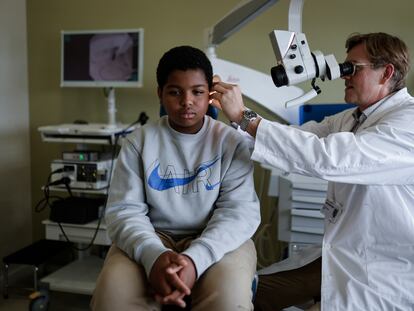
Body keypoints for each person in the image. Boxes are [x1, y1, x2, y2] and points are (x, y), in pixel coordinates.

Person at [211, 32, 414, 310]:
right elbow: (297, 138)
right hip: (341, 254)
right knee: (243, 294)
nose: (344, 75)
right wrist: (220, 128)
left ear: (386, 72)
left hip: (379, 269)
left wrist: (245, 115)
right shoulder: (352, 117)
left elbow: (328, 157)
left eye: (352, 68)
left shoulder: (407, 123)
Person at [90, 45, 260, 311]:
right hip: (153, 235)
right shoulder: (138, 142)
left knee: (229, 299)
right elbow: (125, 212)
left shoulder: (231, 142)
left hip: (216, 236)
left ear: (210, 94)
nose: (187, 101)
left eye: (197, 92)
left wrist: (194, 260)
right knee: (113, 295)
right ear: (160, 94)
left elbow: (238, 213)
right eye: (175, 92)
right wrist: (154, 256)